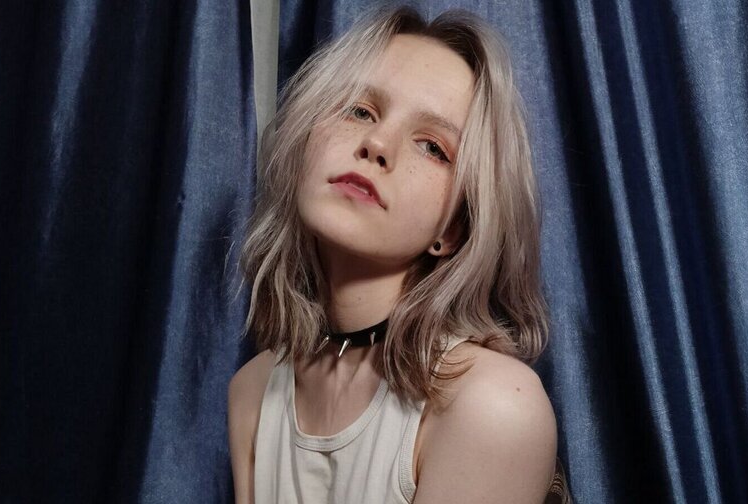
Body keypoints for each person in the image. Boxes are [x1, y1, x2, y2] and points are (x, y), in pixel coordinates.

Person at [228, 6, 557, 503]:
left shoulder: (492, 406)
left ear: (454, 229)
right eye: (359, 110)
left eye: (433, 147)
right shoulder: (252, 392)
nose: (377, 143)